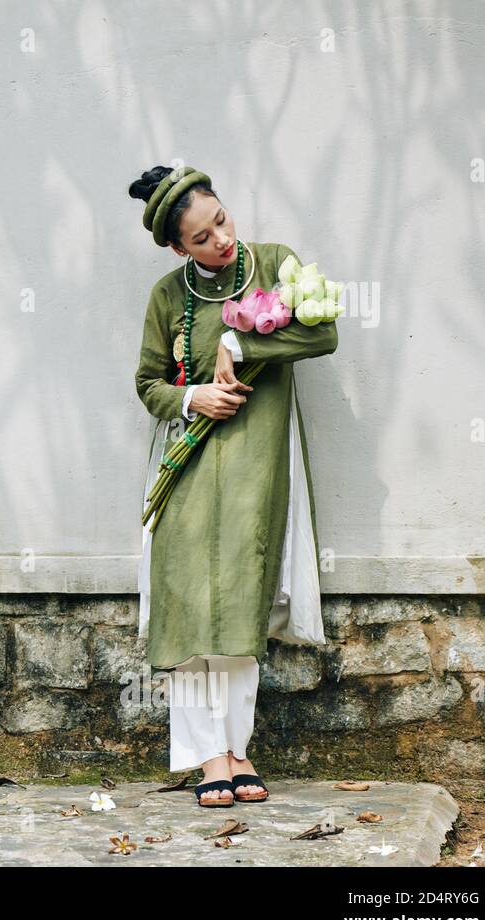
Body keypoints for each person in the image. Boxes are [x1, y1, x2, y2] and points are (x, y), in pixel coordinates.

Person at [128, 165, 338, 808]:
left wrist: (240, 346)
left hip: (257, 465)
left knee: (241, 605)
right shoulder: (169, 296)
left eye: (220, 220)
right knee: (191, 609)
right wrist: (195, 396)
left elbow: (323, 332)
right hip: (189, 467)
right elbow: (148, 384)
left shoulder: (274, 263)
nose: (219, 239)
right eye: (200, 237)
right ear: (177, 248)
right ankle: (206, 754)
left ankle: (238, 747)